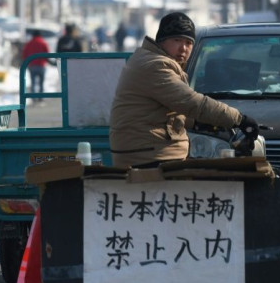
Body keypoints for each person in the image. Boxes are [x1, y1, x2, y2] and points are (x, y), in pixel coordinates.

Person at [109, 12, 259, 169]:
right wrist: (239, 119)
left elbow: (161, 113)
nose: (183, 48)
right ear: (161, 41)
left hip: (144, 149)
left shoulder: (149, 59)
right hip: (149, 154)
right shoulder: (155, 65)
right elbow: (191, 102)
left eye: (188, 43)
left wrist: (200, 124)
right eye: (177, 40)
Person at [21, 29, 53, 101]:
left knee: (33, 82)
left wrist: (27, 63)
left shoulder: (29, 43)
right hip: (41, 65)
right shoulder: (43, 42)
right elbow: (47, 54)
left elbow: (24, 54)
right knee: (41, 82)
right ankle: (40, 97)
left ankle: (33, 97)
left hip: (32, 65)